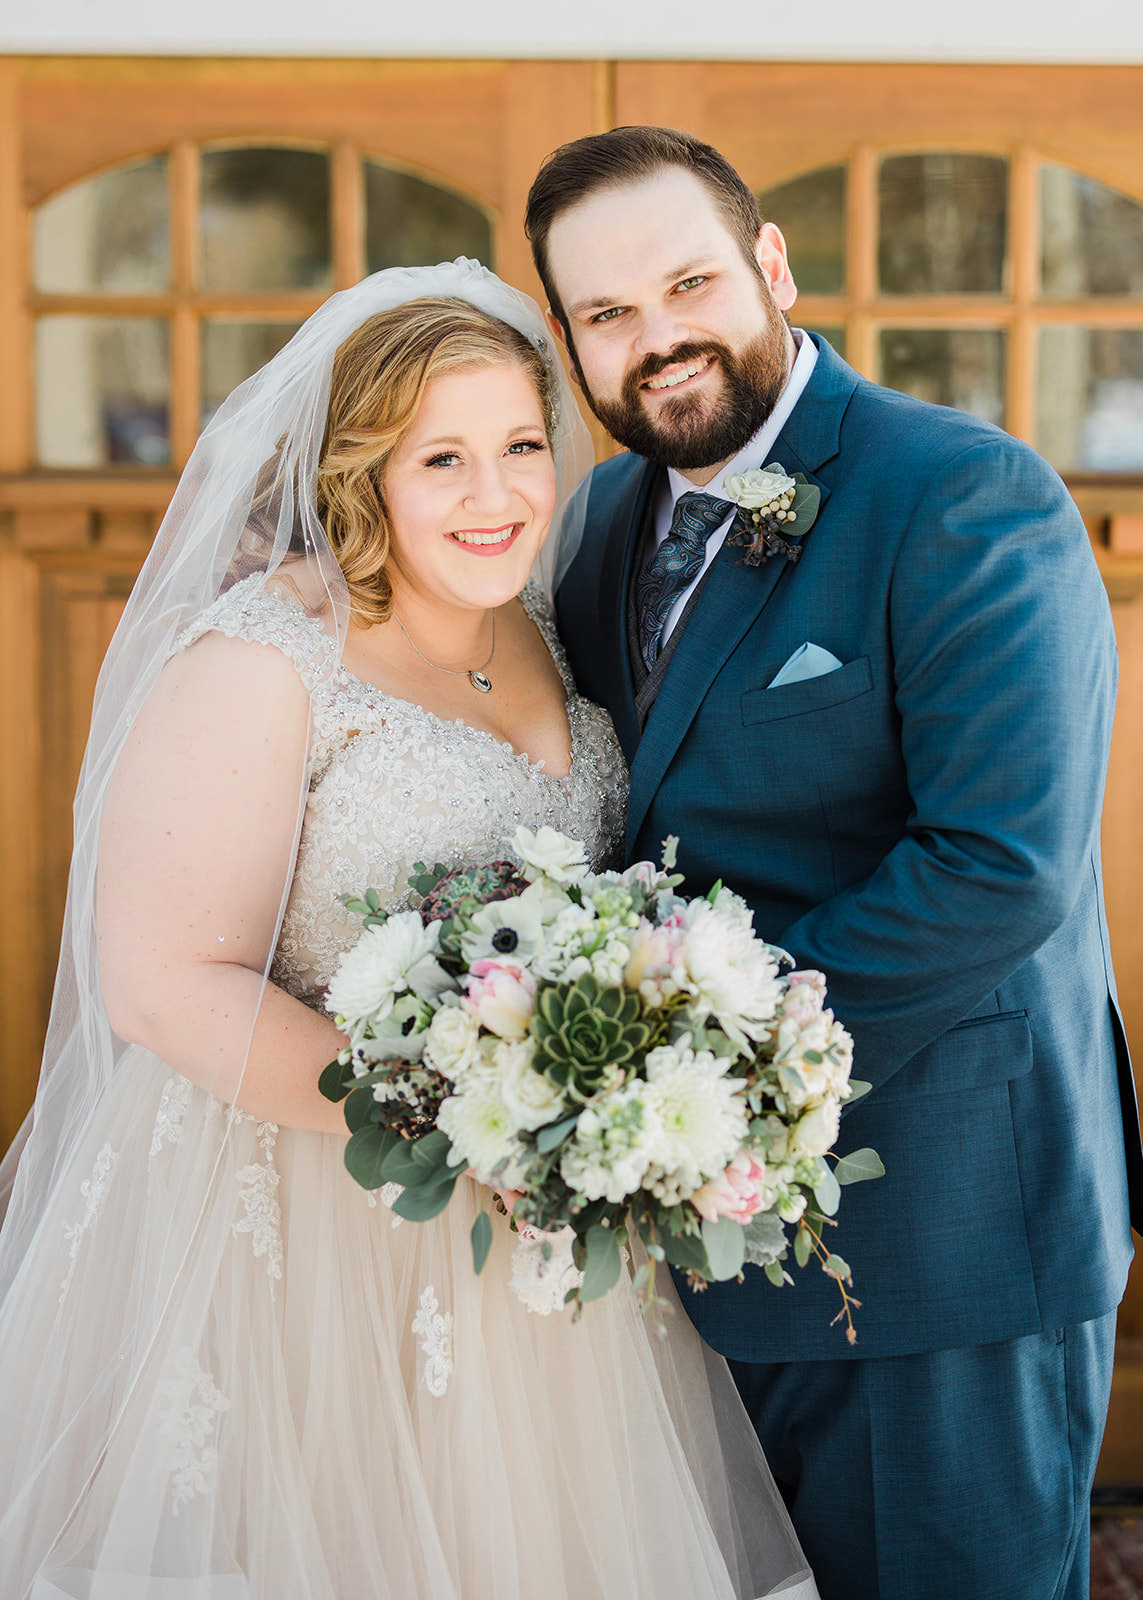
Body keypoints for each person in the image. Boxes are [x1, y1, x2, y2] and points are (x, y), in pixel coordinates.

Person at [0, 261, 817, 1600]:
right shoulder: (260, 661)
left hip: (531, 1236)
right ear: (362, 475)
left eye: (520, 447)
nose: (496, 496)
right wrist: (443, 1120)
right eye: (443, 459)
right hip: (303, 1223)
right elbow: (158, 982)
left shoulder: (553, 632)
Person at [526, 125, 1143, 1600]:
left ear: (771, 265)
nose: (657, 338)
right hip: (696, 1253)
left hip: (939, 1249)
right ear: (569, 338)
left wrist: (686, 1067)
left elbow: (998, 867)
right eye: (607, 313)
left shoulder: (960, 494)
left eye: (687, 284)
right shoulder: (606, 518)